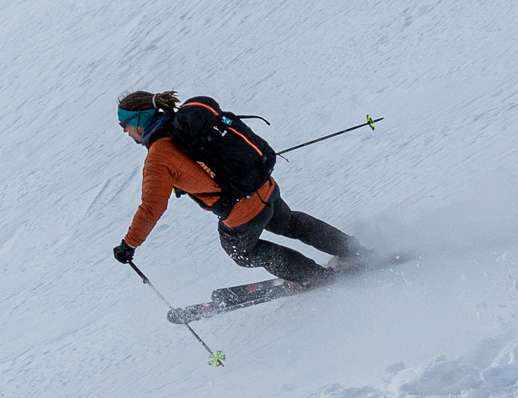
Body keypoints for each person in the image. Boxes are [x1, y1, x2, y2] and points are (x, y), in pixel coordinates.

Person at [110, 90, 370, 285]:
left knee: (241, 251)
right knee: (289, 222)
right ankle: (353, 250)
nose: (127, 134)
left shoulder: (159, 156)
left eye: (126, 127)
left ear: (139, 121)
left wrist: (129, 245)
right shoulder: (189, 124)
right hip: (265, 187)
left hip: (241, 211)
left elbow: (151, 207)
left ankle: (317, 277)